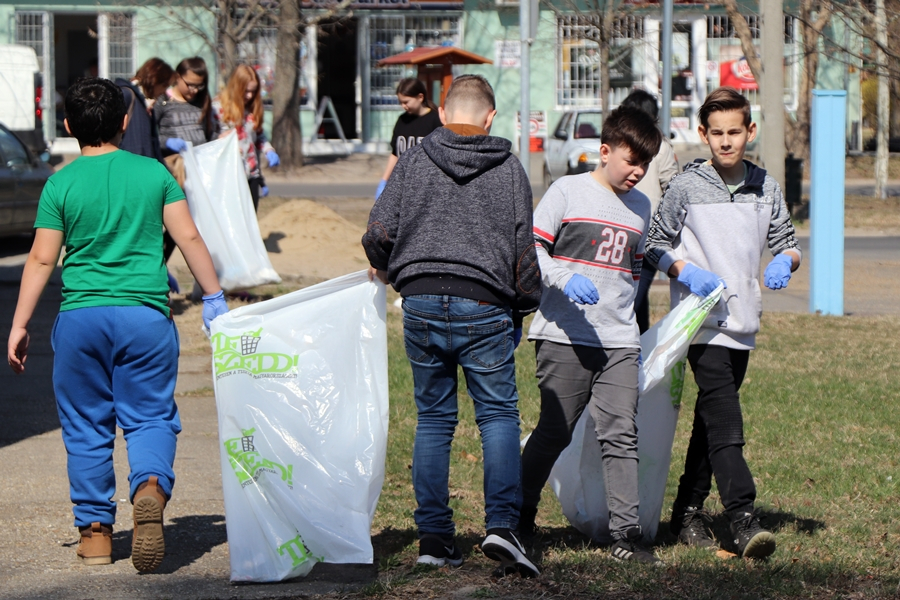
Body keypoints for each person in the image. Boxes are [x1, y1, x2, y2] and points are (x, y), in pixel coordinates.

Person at [6, 78, 229, 572]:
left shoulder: (60, 182)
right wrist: (214, 297)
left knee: (86, 425)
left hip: (81, 318)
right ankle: (149, 486)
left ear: (67, 127)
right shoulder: (154, 174)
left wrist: (20, 323)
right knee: (149, 415)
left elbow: (42, 260)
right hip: (145, 317)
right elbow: (188, 236)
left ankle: (96, 538)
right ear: (126, 123)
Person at [362, 74, 542, 577]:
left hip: (418, 303)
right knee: (498, 418)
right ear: (490, 118)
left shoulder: (414, 159)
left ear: (442, 114)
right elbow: (525, 254)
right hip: (485, 305)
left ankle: (435, 538)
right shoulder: (509, 169)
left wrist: (391, 264)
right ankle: (503, 528)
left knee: (435, 420)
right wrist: (524, 306)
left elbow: (378, 232)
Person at [645, 87, 801, 559]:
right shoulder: (686, 187)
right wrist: (682, 271)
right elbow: (653, 243)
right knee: (726, 420)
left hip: (744, 322)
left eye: (735, 131)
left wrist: (786, 262)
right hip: (701, 321)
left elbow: (787, 241)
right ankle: (742, 517)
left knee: (710, 423)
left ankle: (687, 513)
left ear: (749, 131)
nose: (727, 141)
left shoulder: (766, 186)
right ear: (703, 134)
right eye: (717, 133)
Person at [518, 105, 663, 564]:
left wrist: (631, 320)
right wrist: (563, 278)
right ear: (605, 151)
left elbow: (635, 273)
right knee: (554, 433)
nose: (637, 172)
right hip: (563, 334)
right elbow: (531, 251)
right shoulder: (567, 191)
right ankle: (518, 519)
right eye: (630, 160)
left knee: (621, 433)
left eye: (645, 163)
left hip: (619, 339)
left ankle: (626, 535)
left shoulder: (643, 207)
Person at [619, 90, 680, 333]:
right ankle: (641, 348)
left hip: (647, 238)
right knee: (636, 298)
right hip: (621, 231)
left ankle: (634, 354)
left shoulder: (660, 146)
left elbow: (673, 187)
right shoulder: (621, 144)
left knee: (631, 298)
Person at [155, 57, 219, 266]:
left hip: (200, 173)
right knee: (174, 222)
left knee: (191, 226)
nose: (194, 90)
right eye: (189, 84)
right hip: (173, 172)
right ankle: (156, 265)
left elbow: (212, 133)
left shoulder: (203, 102)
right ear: (177, 77)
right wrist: (167, 143)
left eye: (199, 85)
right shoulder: (162, 101)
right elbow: (149, 135)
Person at [213, 64, 279, 212]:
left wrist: (269, 150)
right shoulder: (218, 107)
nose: (249, 96)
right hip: (229, 177)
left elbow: (259, 135)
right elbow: (209, 139)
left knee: (250, 222)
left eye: (253, 91)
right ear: (236, 86)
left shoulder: (252, 108)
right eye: (246, 91)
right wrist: (219, 139)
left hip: (251, 175)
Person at [375, 78, 442, 199]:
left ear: (420, 97)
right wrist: (384, 180)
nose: (403, 106)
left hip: (426, 187)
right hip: (403, 184)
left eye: (406, 102)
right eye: (400, 102)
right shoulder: (402, 120)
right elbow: (395, 153)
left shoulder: (435, 121)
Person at [116, 57, 174, 162]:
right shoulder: (126, 95)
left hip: (142, 169)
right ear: (155, 80)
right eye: (165, 85)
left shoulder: (145, 103)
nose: (164, 91)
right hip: (127, 168)